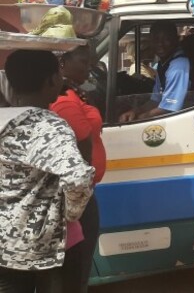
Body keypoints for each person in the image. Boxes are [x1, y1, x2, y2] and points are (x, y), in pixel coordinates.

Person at [0, 49, 95, 293]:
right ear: (52, 80)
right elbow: (79, 176)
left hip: (6, 247)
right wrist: (72, 213)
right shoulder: (48, 125)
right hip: (50, 248)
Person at [50, 45, 106, 293]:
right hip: (78, 194)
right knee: (79, 268)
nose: (89, 67)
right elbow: (83, 141)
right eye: (83, 62)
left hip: (82, 191)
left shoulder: (74, 93)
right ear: (62, 64)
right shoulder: (64, 101)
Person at [120, 21, 190, 122]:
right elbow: (155, 100)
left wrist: (139, 118)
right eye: (156, 39)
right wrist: (135, 111)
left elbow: (169, 108)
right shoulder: (164, 63)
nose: (160, 44)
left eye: (166, 39)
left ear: (176, 39)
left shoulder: (178, 65)